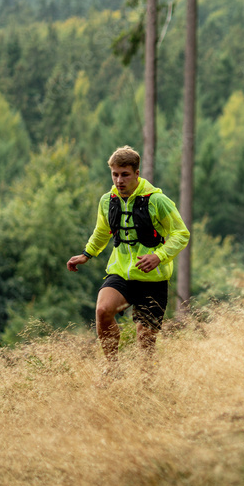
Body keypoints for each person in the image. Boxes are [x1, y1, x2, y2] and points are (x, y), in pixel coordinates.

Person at [67, 146, 189, 361]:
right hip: (121, 273)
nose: (119, 180)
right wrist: (87, 254)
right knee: (103, 310)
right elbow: (102, 231)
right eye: (115, 174)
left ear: (137, 174)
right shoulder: (107, 201)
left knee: (146, 342)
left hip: (153, 279)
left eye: (125, 174)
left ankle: (145, 386)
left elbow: (181, 234)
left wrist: (159, 256)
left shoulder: (157, 201)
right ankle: (112, 369)